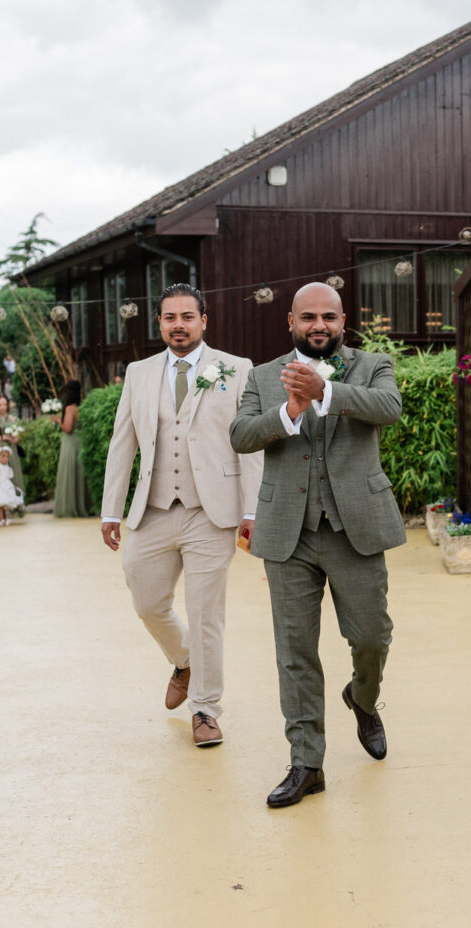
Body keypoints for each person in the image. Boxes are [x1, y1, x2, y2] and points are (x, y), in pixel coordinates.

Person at [229, 281, 405, 807]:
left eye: (328, 316)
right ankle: (307, 763)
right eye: (308, 318)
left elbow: (388, 408)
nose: (318, 326)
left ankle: (363, 697)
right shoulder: (263, 376)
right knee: (295, 653)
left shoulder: (373, 365)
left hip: (357, 528)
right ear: (290, 321)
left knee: (372, 637)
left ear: (343, 319)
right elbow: (240, 435)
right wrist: (289, 411)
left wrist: (324, 393)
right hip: (288, 532)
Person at [101, 284, 261, 748]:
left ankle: (207, 709)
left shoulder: (236, 369)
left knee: (207, 611)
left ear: (204, 321)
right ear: (160, 323)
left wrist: (251, 509)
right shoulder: (139, 372)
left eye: (187, 316)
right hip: (151, 509)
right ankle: (186, 661)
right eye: (169, 317)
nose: (178, 324)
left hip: (211, 512)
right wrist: (113, 509)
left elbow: (250, 444)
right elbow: (122, 442)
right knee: (147, 601)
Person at [51, 379, 90, 518]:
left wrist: (57, 420)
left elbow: (67, 428)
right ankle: (83, 505)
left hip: (69, 444)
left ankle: (68, 507)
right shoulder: (82, 406)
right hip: (79, 443)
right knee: (78, 474)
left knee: (68, 472)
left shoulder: (70, 408)